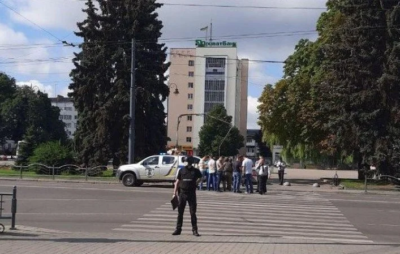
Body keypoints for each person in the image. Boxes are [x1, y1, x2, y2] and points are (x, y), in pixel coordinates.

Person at [172, 156, 203, 236]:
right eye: (185, 161)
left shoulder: (195, 171)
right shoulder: (181, 170)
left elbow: (201, 177)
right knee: (180, 213)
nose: (185, 163)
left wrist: (196, 183)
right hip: (182, 193)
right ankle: (178, 229)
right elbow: (177, 181)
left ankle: (195, 230)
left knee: (193, 213)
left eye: (186, 161)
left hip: (191, 193)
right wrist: (174, 193)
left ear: (190, 162)